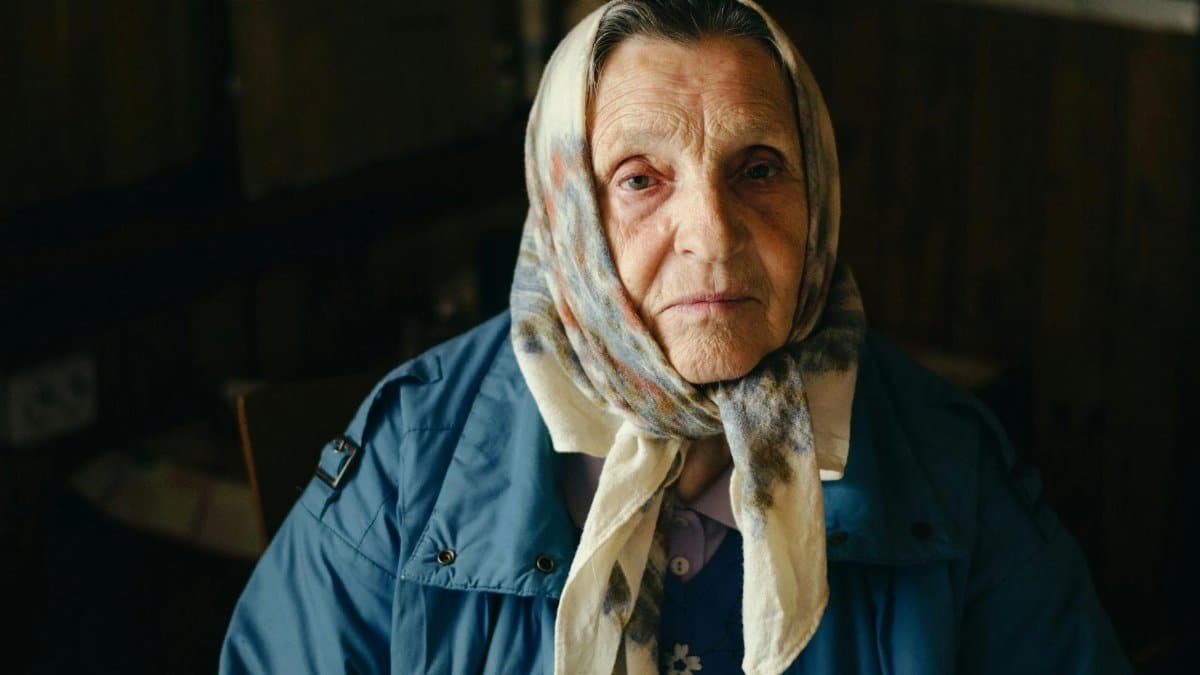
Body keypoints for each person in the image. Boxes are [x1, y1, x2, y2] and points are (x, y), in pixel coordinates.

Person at [219, 1, 1131, 673]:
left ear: (818, 196)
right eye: (642, 179)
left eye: (760, 168)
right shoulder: (411, 459)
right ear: (569, 213)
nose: (715, 235)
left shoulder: (945, 463)